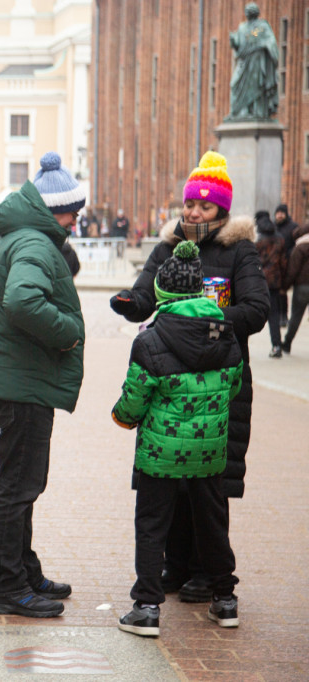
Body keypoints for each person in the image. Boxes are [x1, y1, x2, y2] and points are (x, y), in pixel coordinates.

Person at [109, 151, 268, 602]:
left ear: (221, 209)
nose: (194, 212)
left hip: (222, 382)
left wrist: (207, 322)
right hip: (172, 379)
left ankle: (206, 569)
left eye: (204, 206)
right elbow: (146, 296)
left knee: (211, 483)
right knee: (171, 476)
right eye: (190, 204)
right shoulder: (166, 248)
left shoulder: (239, 250)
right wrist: (128, 304)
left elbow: (257, 310)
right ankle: (175, 566)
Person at [112, 241, 243, 638]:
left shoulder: (150, 339)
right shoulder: (225, 331)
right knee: (212, 521)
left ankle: (147, 607)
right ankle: (225, 600)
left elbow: (135, 399)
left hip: (160, 453)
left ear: (163, 294)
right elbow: (234, 384)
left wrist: (121, 417)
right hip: (209, 451)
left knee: (153, 524)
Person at [0, 151, 85, 618]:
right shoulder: (37, 244)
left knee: (23, 484)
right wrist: (67, 330)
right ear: (56, 210)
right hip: (22, 385)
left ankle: (23, 570)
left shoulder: (27, 238)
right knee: (18, 487)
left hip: (21, 381)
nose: (76, 223)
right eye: (73, 214)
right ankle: (8, 586)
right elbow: (22, 301)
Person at [227, 2, 279, 121]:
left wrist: (265, 46)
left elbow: (269, 40)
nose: (248, 13)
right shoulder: (242, 27)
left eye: (250, 11)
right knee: (234, 84)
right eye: (247, 11)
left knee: (257, 86)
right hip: (244, 62)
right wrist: (233, 42)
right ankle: (240, 112)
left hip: (256, 61)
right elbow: (239, 45)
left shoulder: (261, 27)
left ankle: (256, 111)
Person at [254, 210, 287, 357]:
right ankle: (277, 346)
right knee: (273, 315)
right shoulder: (279, 238)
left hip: (257, 281)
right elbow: (284, 262)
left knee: (248, 313)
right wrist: (284, 283)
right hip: (274, 282)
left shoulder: (256, 239)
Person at [281, 228, 309, 352]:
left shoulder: (300, 248)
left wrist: (285, 287)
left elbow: (292, 270)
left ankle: (287, 343)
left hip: (302, 287)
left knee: (296, 316)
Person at [275, 203, 300, 326]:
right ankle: (279, 315)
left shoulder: (293, 227)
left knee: (283, 291)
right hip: (276, 265)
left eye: (281, 213)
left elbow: (297, 245)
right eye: (278, 213)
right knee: (278, 292)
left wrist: (288, 254)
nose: (279, 216)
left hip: (288, 264)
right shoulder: (274, 227)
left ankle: (284, 316)